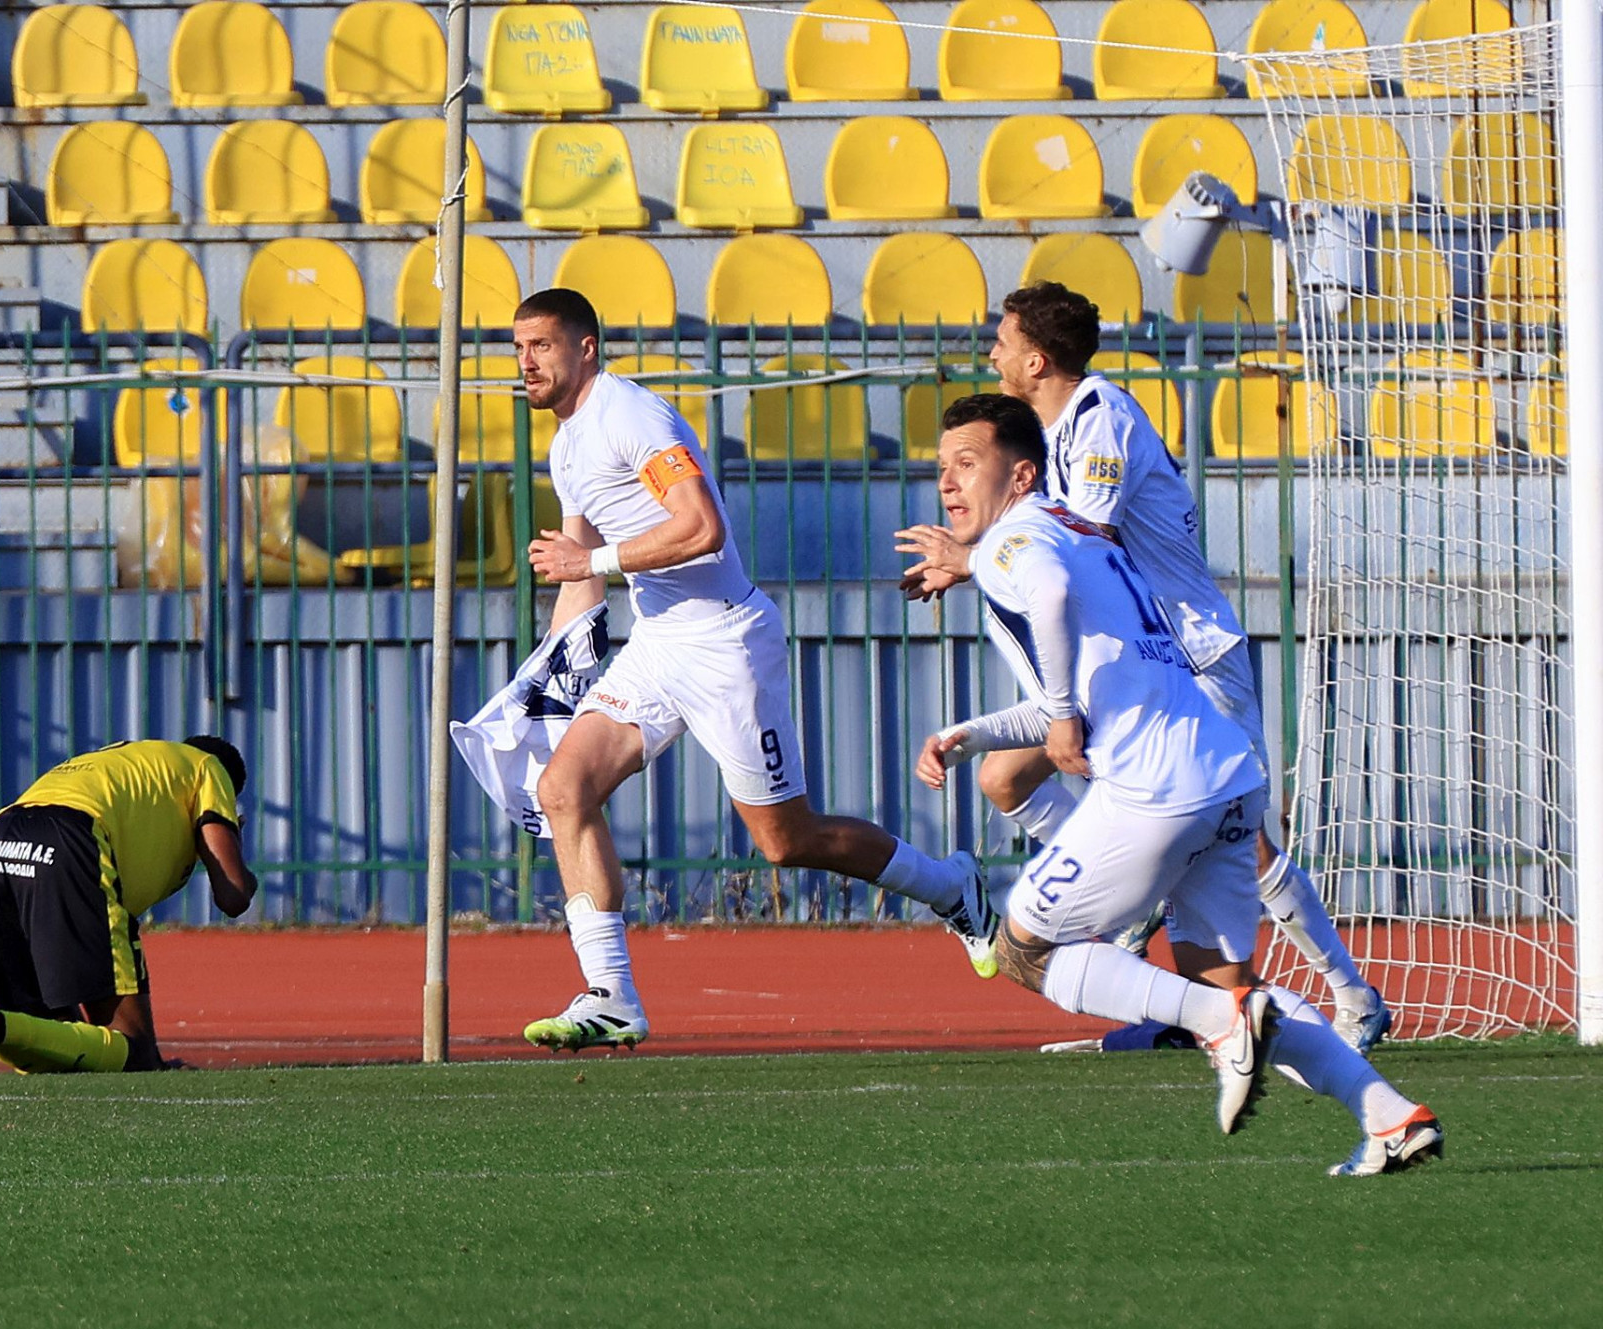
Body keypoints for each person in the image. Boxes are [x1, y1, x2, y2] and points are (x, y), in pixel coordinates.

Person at [915, 394, 1440, 1175]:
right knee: (1226, 981)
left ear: (1021, 473)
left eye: (968, 464)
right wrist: (981, 735)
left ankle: (1224, 1024)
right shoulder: (1086, 533)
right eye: (941, 470)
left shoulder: (1011, 541)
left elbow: (1054, 616)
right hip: (1226, 773)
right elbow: (1109, 681)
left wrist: (1057, 717)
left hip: (1158, 789)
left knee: (1024, 951)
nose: (950, 485)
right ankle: (1392, 1116)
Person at [899, 283, 1390, 1052]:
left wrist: (969, 558)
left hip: (1188, 654)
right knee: (1004, 778)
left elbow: (1080, 540)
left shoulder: (1100, 418)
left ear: (1035, 358)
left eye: (1001, 340)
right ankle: (1145, 919)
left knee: (1242, 836)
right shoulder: (1041, 439)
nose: (990, 353)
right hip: (1130, 663)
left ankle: (1351, 996)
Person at [512, 287, 995, 1052]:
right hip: (660, 641)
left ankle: (950, 887)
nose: (526, 362)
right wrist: (543, 678)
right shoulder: (566, 444)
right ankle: (613, 997)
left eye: (540, 345)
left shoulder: (631, 416)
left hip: (726, 642)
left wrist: (591, 558)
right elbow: (581, 576)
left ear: (585, 348)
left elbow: (700, 528)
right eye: (518, 348)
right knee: (562, 788)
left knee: (784, 840)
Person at [0, 736, 257, 1076]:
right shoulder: (207, 766)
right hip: (70, 837)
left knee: (48, 1043)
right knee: (136, 1052)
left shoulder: (138, 761)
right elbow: (233, 894)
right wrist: (233, 839)